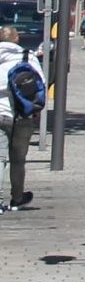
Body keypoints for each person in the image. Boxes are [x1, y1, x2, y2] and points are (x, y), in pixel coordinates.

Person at [1, 26, 46, 211]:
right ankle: (17, 198)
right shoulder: (28, 57)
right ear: (16, 39)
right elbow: (40, 85)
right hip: (23, 115)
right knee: (18, 159)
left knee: (0, 158)